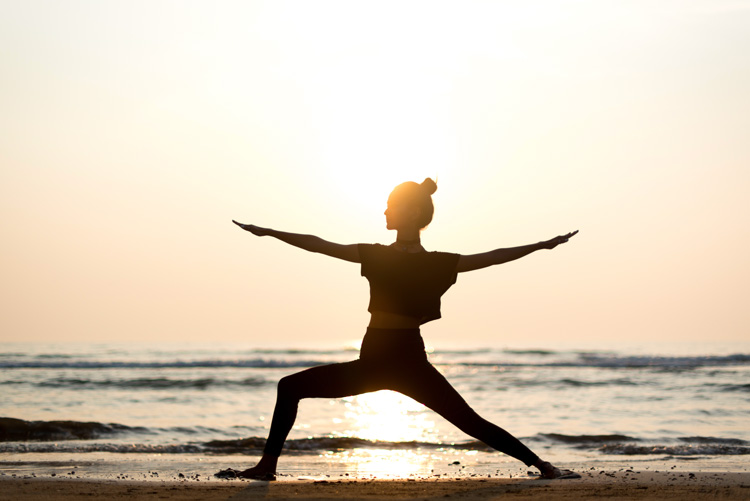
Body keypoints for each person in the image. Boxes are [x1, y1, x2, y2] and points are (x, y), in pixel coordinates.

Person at [219, 178, 579, 481]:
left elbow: (494, 255)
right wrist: (269, 233)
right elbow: (318, 245)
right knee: (290, 387)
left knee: (469, 421)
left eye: (391, 205)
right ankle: (267, 467)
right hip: (375, 360)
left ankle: (544, 467)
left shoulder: (437, 262)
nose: (386, 211)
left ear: (411, 212)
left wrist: (540, 246)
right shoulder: (378, 254)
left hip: (406, 360)